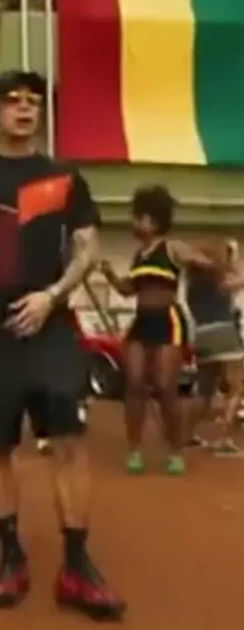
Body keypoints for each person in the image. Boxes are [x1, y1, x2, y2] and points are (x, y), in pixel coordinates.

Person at [0, 69, 125, 620]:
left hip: (50, 327)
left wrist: (52, 296)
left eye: (33, 102)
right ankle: (11, 557)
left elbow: (87, 250)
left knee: (70, 442)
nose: (24, 108)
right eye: (14, 100)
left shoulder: (63, 178)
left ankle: (77, 567)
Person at [101, 185, 215, 476]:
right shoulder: (139, 255)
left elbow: (203, 261)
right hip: (142, 321)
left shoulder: (172, 247)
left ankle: (175, 450)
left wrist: (207, 259)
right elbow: (127, 290)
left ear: (151, 221)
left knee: (166, 386)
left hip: (169, 321)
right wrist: (109, 274)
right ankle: (134, 449)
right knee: (134, 384)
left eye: (136, 217)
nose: (132, 223)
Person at [184, 239, 244, 455]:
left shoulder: (192, 287)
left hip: (202, 335)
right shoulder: (220, 283)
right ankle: (224, 440)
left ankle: (187, 435)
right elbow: (240, 279)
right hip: (223, 332)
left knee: (205, 391)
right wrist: (234, 257)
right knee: (236, 387)